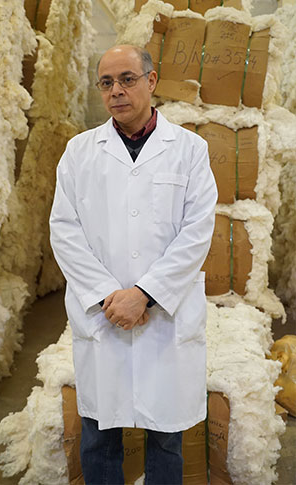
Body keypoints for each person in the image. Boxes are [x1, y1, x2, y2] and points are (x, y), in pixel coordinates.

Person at [49, 44, 217, 485]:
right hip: (103, 315)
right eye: (106, 83)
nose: (116, 91)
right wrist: (111, 297)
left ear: (151, 81)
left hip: (164, 316)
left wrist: (144, 295)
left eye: (127, 79)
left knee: (166, 437)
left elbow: (197, 233)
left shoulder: (190, 150)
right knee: (99, 431)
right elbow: (64, 231)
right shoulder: (80, 152)